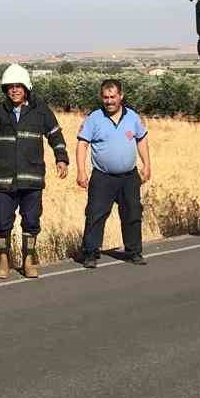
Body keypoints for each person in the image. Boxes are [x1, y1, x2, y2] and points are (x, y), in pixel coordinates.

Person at [0, 64, 70, 278]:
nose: (14, 90)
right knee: (2, 221)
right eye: (10, 87)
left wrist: (61, 158)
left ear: (26, 87)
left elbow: (55, 135)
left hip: (32, 179)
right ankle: (4, 259)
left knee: (31, 221)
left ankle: (28, 260)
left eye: (18, 86)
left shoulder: (41, 111)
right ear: (5, 89)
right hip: (5, 179)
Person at [75, 78, 152, 268]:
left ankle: (134, 252)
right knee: (95, 214)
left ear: (121, 96)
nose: (109, 101)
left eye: (113, 97)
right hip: (103, 177)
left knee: (133, 213)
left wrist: (147, 164)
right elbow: (82, 144)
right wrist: (81, 171)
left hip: (129, 176)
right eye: (105, 97)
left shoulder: (133, 117)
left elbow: (141, 140)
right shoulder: (93, 118)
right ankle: (91, 254)